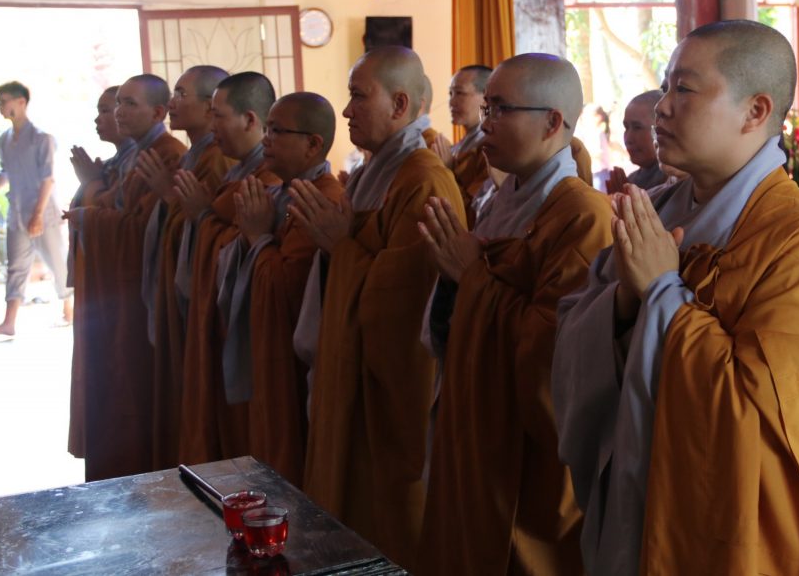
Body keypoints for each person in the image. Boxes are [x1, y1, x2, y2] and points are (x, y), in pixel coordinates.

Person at [554, 20, 799, 574]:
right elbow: (574, 326)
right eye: (665, 86)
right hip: (636, 497)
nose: (662, 108)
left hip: (719, 535)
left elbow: (770, 423)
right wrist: (626, 303)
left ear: (755, 111)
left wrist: (661, 293)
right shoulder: (658, 208)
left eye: (685, 89)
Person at [417, 54, 612, 575]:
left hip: (528, 460)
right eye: (486, 108)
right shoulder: (503, 199)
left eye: (501, 109)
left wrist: (472, 278)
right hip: (474, 423)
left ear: (552, 122)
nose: (485, 124)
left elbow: (558, 354)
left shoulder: (583, 215)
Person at [297, 46, 464, 570]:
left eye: (357, 96)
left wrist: (342, 248)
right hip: (352, 385)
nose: (346, 111)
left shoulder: (423, 180)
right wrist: (342, 249)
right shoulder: (377, 171)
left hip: (390, 404)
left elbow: (411, 309)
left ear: (399, 104)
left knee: (389, 533)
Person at [218, 91, 342, 485]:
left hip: (293, 368)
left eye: (277, 131)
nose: (266, 139)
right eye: (267, 129)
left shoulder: (322, 199)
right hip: (267, 357)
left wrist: (257, 238)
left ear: (313, 144)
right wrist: (251, 237)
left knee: (292, 472)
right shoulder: (279, 193)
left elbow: (289, 292)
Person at [67, 73, 186, 480]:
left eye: (127, 103)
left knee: (133, 390)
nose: (118, 112)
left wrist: (91, 200)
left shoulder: (167, 155)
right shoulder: (138, 156)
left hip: (139, 295)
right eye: (116, 103)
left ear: (158, 111)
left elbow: (143, 231)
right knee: (116, 385)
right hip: (117, 292)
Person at [176, 71, 280, 465]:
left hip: (248, 341)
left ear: (250, 119)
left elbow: (245, 246)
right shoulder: (238, 171)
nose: (212, 124)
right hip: (218, 325)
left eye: (217, 115)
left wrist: (203, 217)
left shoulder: (265, 179)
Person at [137, 65, 233, 471]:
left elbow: (214, 229)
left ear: (211, 107)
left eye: (181, 93)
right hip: (179, 299)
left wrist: (167, 195)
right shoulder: (194, 155)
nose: (173, 102)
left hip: (200, 303)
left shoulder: (215, 159)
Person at [67, 85, 136, 459]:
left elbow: (129, 224)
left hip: (122, 289)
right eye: (110, 108)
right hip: (100, 287)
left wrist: (91, 184)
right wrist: (93, 181)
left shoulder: (150, 160)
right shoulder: (114, 164)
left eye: (110, 108)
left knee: (118, 374)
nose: (104, 117)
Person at [0, 81, 71, 334]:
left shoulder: (42, 138)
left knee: (58, 262)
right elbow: (6, 173)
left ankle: (69, 312)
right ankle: (9, 322)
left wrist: (37, 214)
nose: (0, 107)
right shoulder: (5, 139)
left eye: (4, 101)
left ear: (21, 102)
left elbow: (48, 179)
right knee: (15, 266)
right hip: (16, 212)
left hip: (43, 212)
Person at [429, 65, 491, 215]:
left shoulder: (490, 148)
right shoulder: (457, 147)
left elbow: (476, 211)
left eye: (460, 93)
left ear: (486, 97)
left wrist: (448, 171)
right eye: (450, 94)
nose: (451, 102)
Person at [606, 90, 665, 193]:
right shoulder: (631, 181)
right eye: (626, 127)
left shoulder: (674, 180)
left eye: (637, 127)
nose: (628, 138)